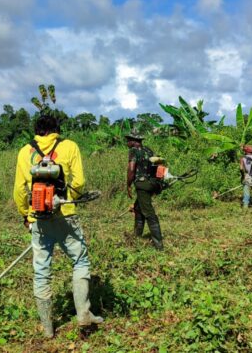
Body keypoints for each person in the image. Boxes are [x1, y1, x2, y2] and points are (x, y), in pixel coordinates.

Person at [12, 113, 103, 338]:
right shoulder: (70, 146)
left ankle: (48, 328)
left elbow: (20, 189)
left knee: (42, 270)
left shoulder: (25, 151)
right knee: (80, 261)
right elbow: (79, 182)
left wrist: (26, 214)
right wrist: (66, 199)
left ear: (37, 130)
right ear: (56, 129)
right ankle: (83, 314)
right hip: (66, 214)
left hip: (38, 217)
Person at [125, 129, 164, 250]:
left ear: (133, 141)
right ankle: (136, 237)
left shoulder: (133, 151)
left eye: (128, 140)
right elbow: (158, 167)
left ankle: (159, 245)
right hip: (152, 184)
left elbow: (131, 170)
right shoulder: (148, 150)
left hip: (142, 185)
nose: (127, 142)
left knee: (148, 212)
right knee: (138, 208)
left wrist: (128, 185)